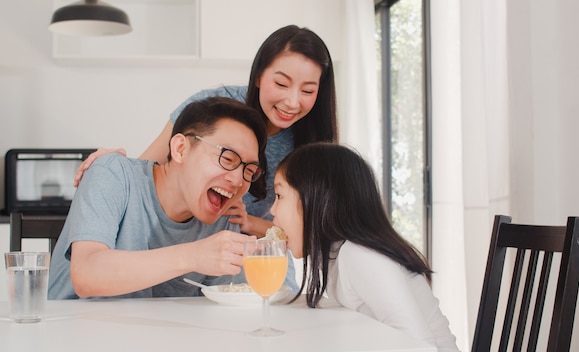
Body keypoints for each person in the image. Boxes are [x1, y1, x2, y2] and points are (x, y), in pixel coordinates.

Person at [72, 25, 338, 292]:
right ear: (258, 76)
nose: (292, 102)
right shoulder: (217, 109)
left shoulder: (312, 141)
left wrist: (249, 223)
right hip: (191, 248)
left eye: (307, 91)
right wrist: (111, 169)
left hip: (256, 252)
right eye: (281, 84)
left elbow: (311, 231)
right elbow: (147, 179)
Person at [48, 97, 267, 299]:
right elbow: (87, 274)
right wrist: (193, 255)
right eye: (228, 159)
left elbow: (220, 307)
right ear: (180, 149)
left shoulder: (225, 218)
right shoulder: (113, 173)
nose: (238, 180)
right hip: (70, 333)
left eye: (249, 171)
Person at [271, 142, 460, 351]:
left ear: (319, 198)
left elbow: (420, 346)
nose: (272, 209)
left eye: (279, 196)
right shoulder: (338, 255)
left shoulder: (360, 255)